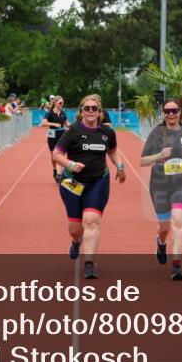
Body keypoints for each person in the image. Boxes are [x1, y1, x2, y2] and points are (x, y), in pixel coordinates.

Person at [52, 94, 127, 280]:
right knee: (75, 228)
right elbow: (56, 154)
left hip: (98, 181)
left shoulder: (107, 132)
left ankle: (89, 264)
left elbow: (113, 151)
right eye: (87, 108)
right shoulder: (72, 131)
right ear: (81, 111)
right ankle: (76, 241)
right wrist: (70, 165)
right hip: (72, 182)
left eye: (95, 108)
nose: (91, 111)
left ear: (100, 112)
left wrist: (120, 166)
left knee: (91, 220)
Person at [139, 98, 182, 280]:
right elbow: (142, 161)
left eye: (174, 111)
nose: (171, 114)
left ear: (179, 112)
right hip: (160, 185)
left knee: (178, 220)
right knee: (165, 226)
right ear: (163, 113)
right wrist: (159, 155)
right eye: (167, 111)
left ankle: (176, 265)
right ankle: (161, 241)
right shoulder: (156, 133)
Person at [41, 96, 69, 182]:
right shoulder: (50, 113)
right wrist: (54, 124)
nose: (62, 104)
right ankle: (55, 169)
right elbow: (43, 123)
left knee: (60, 155)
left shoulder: (63, 113)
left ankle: (59, 174)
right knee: (53, 156)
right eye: (60, 103)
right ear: (55, 103)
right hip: (52, 135)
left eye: (63, 102)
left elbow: (67, 123)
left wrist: (74, 127)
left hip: (62, 135)